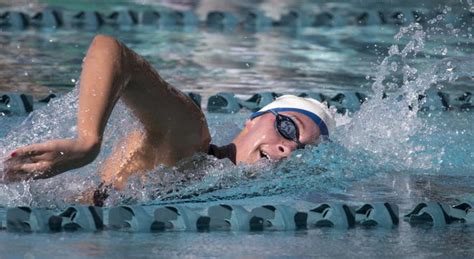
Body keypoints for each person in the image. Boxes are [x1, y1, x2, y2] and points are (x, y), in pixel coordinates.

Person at [3, 34, 335, 194]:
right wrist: (88, 142)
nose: (289, 149)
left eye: (302, 151)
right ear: (254, 119)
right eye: (289, 130)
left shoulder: (216, 185)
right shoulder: (190, 135)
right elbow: (110, 50)